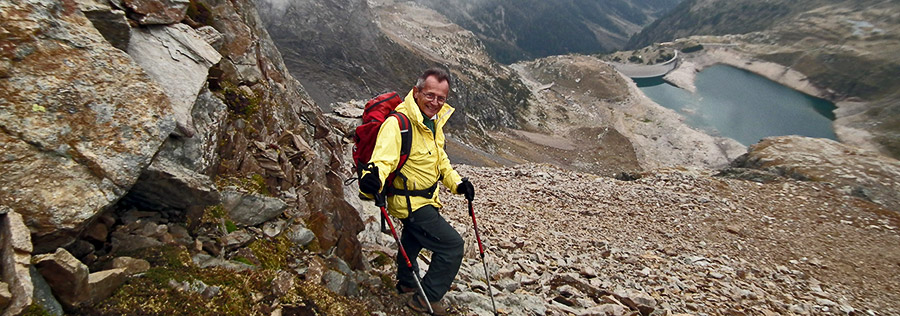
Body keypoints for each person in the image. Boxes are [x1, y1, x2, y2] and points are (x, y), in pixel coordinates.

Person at [359, 67, 475, 315]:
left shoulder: (432, 123)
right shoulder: (398, 123)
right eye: (430, 95)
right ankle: (427, 299)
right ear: (416, 91)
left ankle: (407, 284)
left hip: (426, 198)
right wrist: (373, 179)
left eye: (441, 98)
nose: (435, 102)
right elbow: (383, 160)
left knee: (412, 239)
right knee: (452, 246)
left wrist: (457, 183)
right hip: (411, 203)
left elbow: (440, 159)